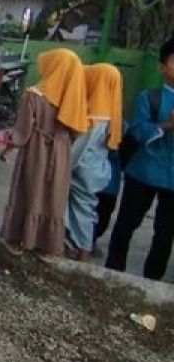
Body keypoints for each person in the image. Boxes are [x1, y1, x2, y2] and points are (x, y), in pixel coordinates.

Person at [0, 48, 88, 263]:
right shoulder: (74, 99)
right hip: (61, 152)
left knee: (28, 190)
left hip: (36, 151)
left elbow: (22, 131)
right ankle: (45, 246)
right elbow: (77, 131)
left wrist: (9, 147)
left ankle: (17, 239)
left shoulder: (34, 95)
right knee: (53, 197)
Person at [106, 37, 174, 279]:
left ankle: (152, 281)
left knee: (166, 233)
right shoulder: (149, 97)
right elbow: (137, 129)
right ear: (162, 67)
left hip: (172, 179)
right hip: (143, 171)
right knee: (127, 223)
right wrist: (166, 125)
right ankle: (114, 271)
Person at [65, 63, 122, 261]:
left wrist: (62, 168)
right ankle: (79, 248)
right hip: (95, 171)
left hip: (84, 172)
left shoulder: (94, 116)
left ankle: (82, 252)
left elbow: (78, 151)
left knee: (82, 213)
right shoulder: (110, 113)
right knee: (83, 211)